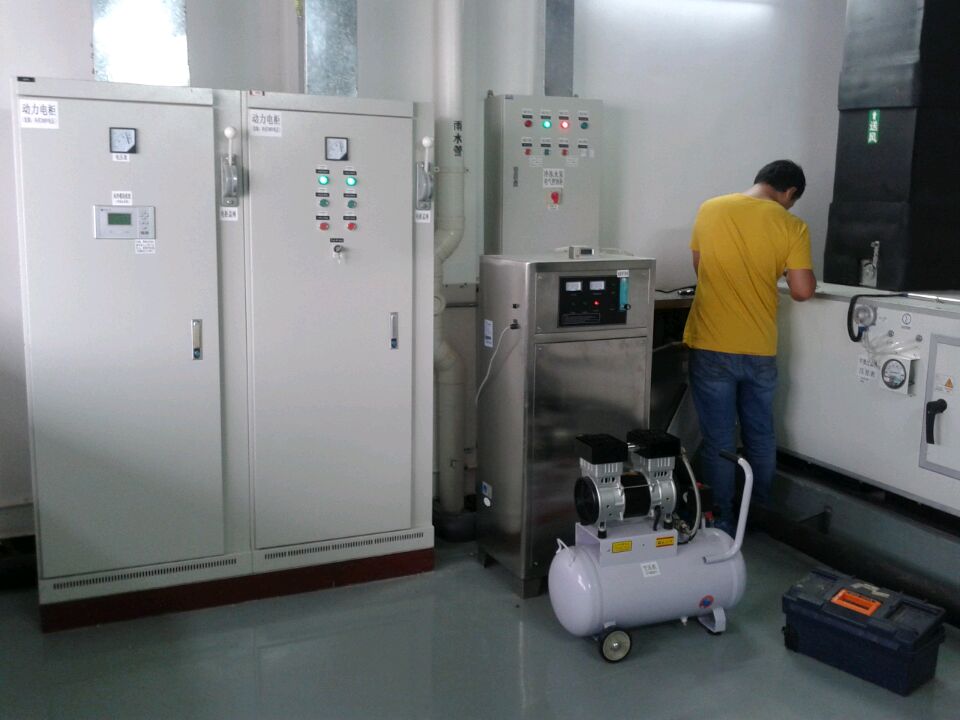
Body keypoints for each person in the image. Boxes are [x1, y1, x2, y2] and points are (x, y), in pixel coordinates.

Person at [683, 160, 816, 537]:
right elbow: (803, 291)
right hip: (759, 349)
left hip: (711, 344)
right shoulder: (791, 225)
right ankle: (758, 514)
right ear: (789, 192)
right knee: (760, 434)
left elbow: (700, 268)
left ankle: (722, 523)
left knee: (719, 440)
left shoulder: (710, 209)